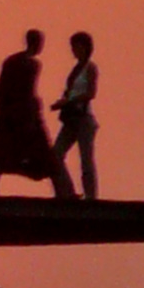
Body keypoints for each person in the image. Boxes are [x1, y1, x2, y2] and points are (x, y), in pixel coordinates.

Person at [0, 29, 75, 199]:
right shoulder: (32, 65)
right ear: (37, 43)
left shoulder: (10, 61)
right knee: (46, 153)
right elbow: (29, 91)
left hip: (9, 113)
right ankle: (63, 192)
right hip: (25, 114)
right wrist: (34, 113)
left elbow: (2, 89)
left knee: (3, 150)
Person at [50, 31, 99, 199]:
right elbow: (71, 92)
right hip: (71, 119)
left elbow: (91, 93)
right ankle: (67, 192)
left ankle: (91, 196)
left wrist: (68, 101)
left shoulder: (90, 67)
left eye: (76, 46)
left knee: (86, 159)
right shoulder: (75, 69)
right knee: (55, 154)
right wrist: (63, 101)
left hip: (84, 118)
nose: (73, 50)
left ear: (84, 47)